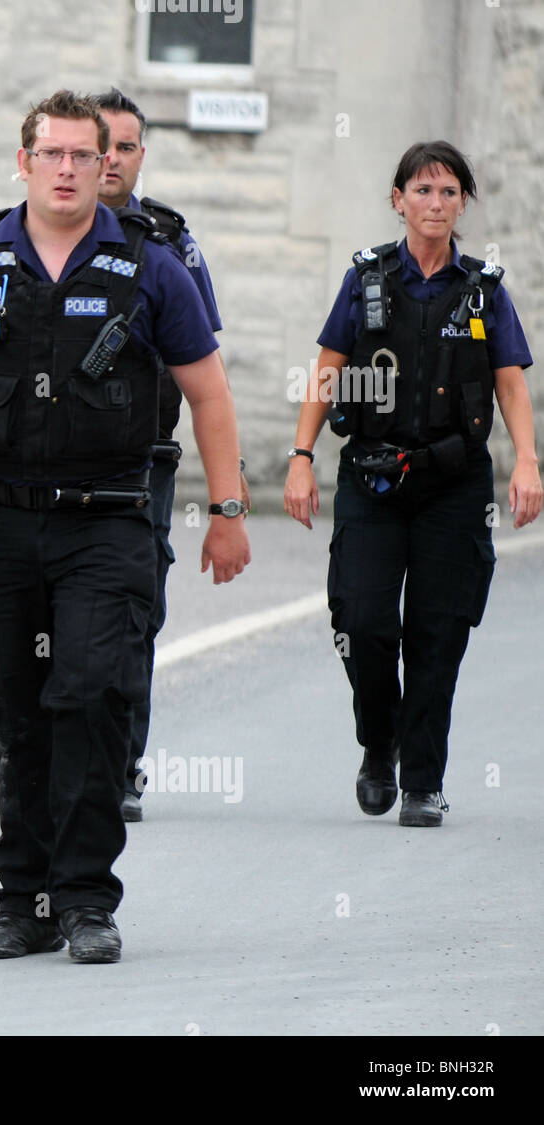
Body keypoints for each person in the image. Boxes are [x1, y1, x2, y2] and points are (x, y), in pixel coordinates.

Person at [0, 90, 249, 964]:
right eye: (54, 155)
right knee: (14, 707)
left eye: (86, 154)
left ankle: (84, 899)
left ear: (104, 160)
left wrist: (226, 511)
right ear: (25, 162)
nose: (71, 169)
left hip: (106, 521)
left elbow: (209, 392)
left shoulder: (152, 266)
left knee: (91, 695)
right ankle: (23, 899)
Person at [283, 140, 540, 828]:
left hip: (454, 481)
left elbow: (511, 382)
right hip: (372, 477)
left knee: (438, 631)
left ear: (463, 205)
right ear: (398, 200)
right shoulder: (366, 281)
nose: (435, 203)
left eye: (449, 192)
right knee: (364, 620)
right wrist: (300, 456)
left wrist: (527, 461)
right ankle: (380, 740)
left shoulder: (483, 288)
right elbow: (327, 369)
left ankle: (423, 780)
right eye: (422, 191)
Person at [92, 87, 243, 823]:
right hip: (41, 468)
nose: (111, 159)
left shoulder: (169, 243)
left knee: (131, 611)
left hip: (143, 459)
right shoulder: (21, 240)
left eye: (125, 146)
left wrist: (228, 503)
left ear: (139, 156)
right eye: (101, 145)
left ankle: (121, 765)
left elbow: (204, 364)